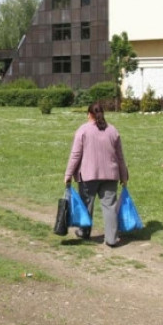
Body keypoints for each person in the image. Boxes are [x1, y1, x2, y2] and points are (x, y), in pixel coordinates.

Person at [64, 101, 129, 247]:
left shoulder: (83, 130)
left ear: (89, 114)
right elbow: (120, 156)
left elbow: (75, 155)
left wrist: (68, 174)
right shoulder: (113, 130)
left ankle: (84, 232)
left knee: (86, 205)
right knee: (110, 207)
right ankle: (111, 239)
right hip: (111, 175)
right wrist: (124, 176)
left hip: (88, 175)